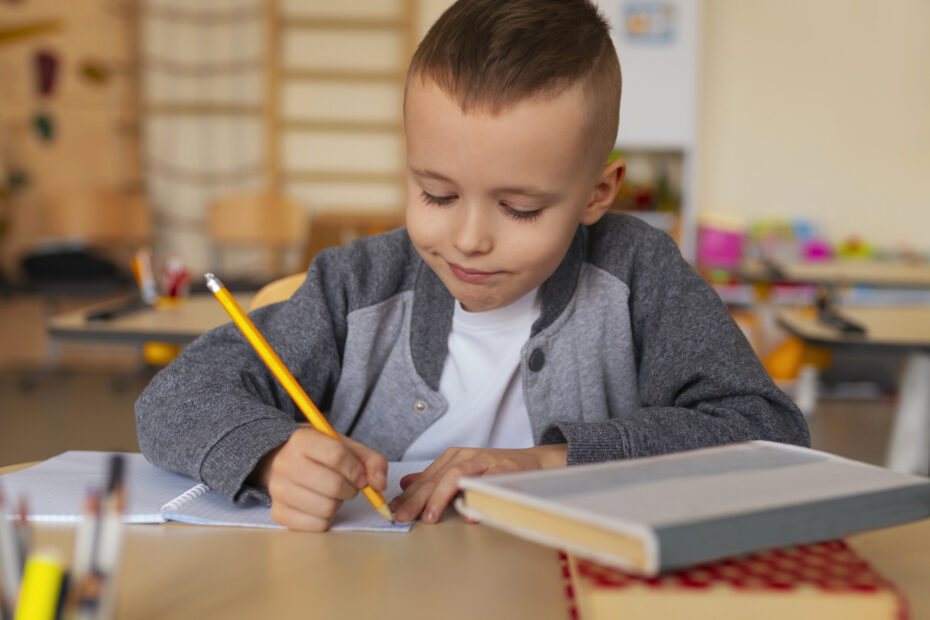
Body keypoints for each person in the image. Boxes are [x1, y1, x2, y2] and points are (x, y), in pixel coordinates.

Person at [135, 0, 809, 532]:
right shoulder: (356, 286)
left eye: (519, 208)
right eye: (436, 193)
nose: (468, 239)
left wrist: (552, 462)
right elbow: (173, 400)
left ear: (597, 193)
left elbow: (767, 431)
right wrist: (272, 456)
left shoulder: (638, 274)